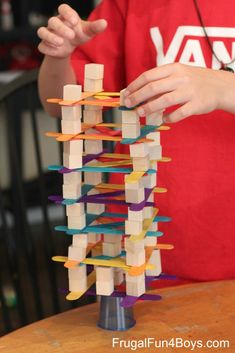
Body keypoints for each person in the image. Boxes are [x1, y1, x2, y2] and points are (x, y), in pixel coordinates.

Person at [38, 1, 235, 282]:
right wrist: (58, 57)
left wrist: (226, 87)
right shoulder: (133, 5)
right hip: (139, 252)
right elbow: (60, 104)